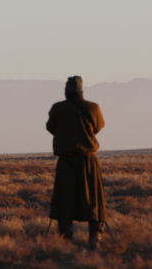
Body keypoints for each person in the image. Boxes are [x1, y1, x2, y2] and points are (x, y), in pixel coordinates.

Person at [46, 76, 106, 249]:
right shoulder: (93, 108)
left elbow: (51, 128)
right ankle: (95, 240)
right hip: (88, 160)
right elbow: (98, 127)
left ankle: (65, 240)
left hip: (66, 162)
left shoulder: (58, 108)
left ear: (66, 92)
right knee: (93, 200)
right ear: (81, 91)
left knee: (65, 199)